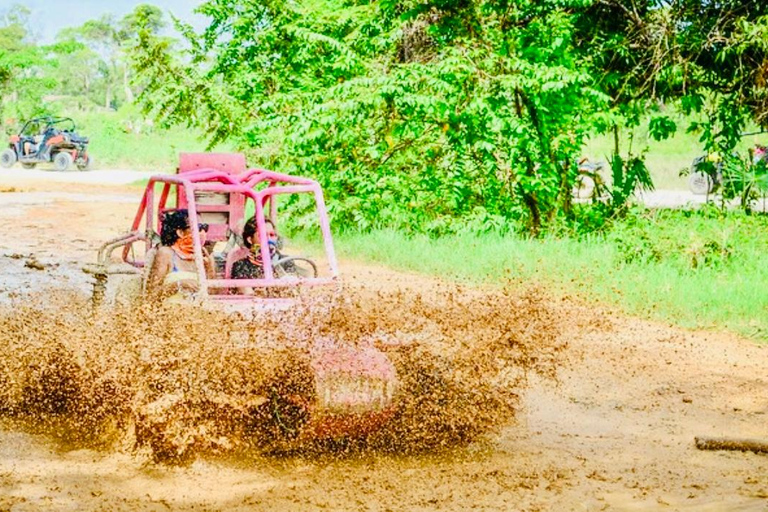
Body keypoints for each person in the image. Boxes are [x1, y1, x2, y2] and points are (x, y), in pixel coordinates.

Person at [146, 209, 214, 302]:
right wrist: (178, 285)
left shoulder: (206, 256)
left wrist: (209, 269)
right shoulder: (166, 254)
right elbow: (151, 295)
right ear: (181, 233)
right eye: (197, 228)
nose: (202, 232)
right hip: (169, 312)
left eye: (204, 227)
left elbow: (214, 293)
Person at [232, 217, 294, 295]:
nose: (268, 240)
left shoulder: (286, 261)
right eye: (262, 235)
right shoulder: (241, 266)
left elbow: (293, 291)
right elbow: (249, 296)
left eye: (272, 235)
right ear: (250, 240)